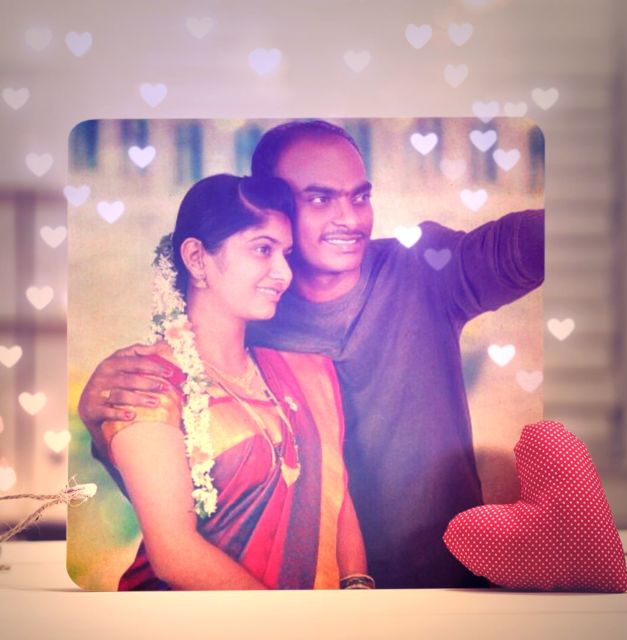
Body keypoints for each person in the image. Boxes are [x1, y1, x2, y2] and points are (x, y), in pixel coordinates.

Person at [79, 120, 544, 589]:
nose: (350, 219)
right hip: (286, 598)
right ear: (275, 207)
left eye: (360, 197)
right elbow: (191, 506)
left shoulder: (424, 270)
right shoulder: (248, 316)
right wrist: (101, 422)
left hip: (440, 586)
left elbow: (525, 244)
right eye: (320, 199)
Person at [90, 173, 368, 590]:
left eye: (286, 254)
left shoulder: (303, 373)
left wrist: (359, 591)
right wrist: (295, 622)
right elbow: (174, 555)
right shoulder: (146, 383)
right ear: (196, 258)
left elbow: (338, 498)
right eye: (263, 249)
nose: (284, 273)